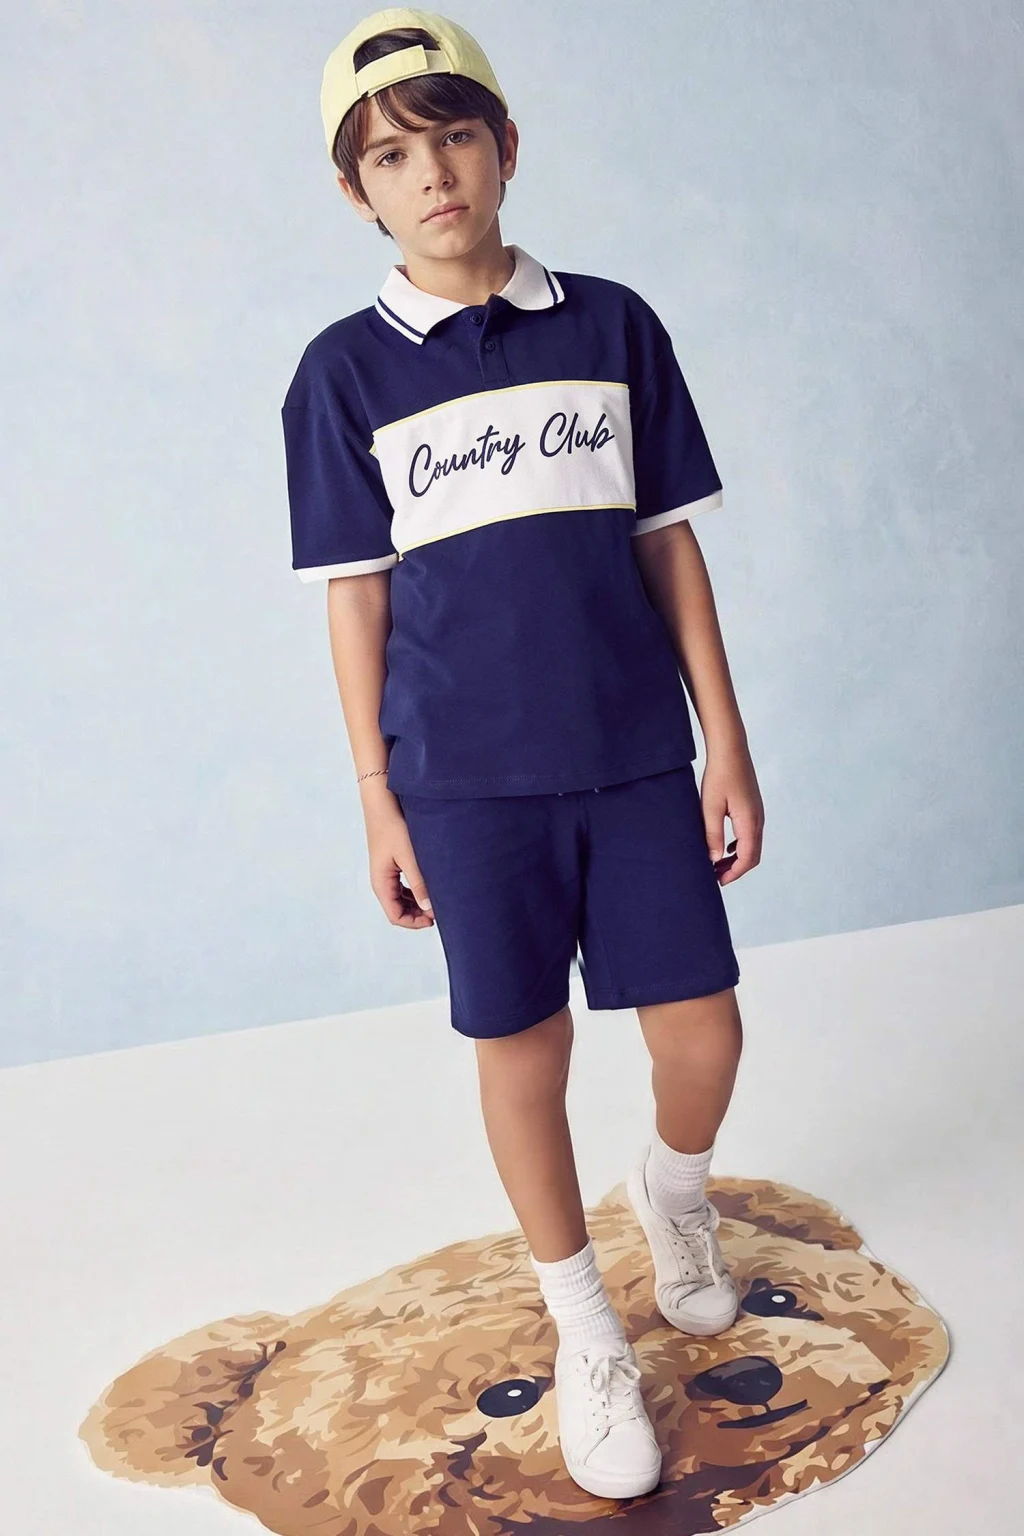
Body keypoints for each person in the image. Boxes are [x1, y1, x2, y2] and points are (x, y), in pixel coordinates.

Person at [281, 6, 765, 1502]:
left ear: (505, 145)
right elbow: (356, 600)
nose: (430, 175)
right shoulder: (342, 375)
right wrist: (378, 798)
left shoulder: (612, 325)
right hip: (463, 781)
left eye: (452, 138)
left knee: (704, 1033)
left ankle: (671, 1196)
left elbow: (667, 543)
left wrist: (726, 739)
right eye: (391, 156)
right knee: (524, 1046)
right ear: (356, 191)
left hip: (634, 758)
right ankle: (585, 1327)